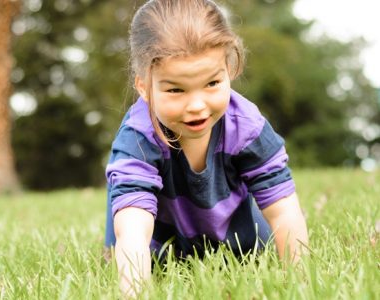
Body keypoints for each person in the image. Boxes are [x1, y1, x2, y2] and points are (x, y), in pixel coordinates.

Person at [104, 0, 309, 297]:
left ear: (230, 69)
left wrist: (301, 281)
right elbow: (133, 233)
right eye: (176, 89)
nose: (197, 106)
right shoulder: (138, 138)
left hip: (238, 242)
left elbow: (283, 211)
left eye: (212, 83)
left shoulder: (247, 127)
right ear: (144, 87)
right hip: (162, 249)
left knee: (263, 243)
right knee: (124, 210)